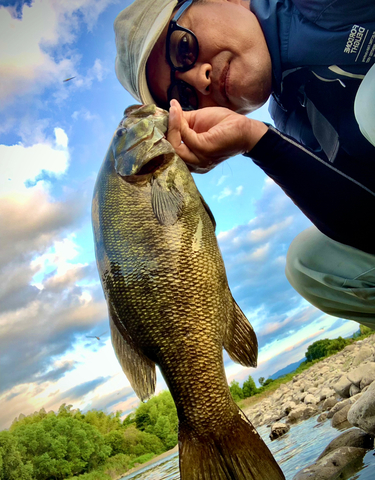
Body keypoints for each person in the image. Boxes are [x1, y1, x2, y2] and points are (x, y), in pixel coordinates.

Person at [113, 0, 375, 328]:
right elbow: (368, 227)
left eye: (183, 48)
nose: (200, 79)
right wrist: (256, 140)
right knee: (308, 265)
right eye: (185, 95)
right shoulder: (292, 115)